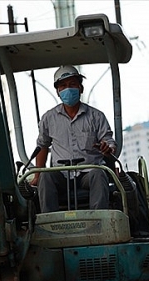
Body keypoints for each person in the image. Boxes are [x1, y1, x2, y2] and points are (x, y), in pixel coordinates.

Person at [31, 65, 116, 212]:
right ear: (58, 91)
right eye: (63, 86)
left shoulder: (96, 116)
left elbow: (108, 141)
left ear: (80, 88)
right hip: (61, 175)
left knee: (99, 173)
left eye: (72, 85)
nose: (68, 89)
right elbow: (42, 146)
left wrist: (107, 148)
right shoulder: (48, 118)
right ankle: (50, 224)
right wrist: (37, 175)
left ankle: (99, 221)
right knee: (46, 177)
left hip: (88, 173)